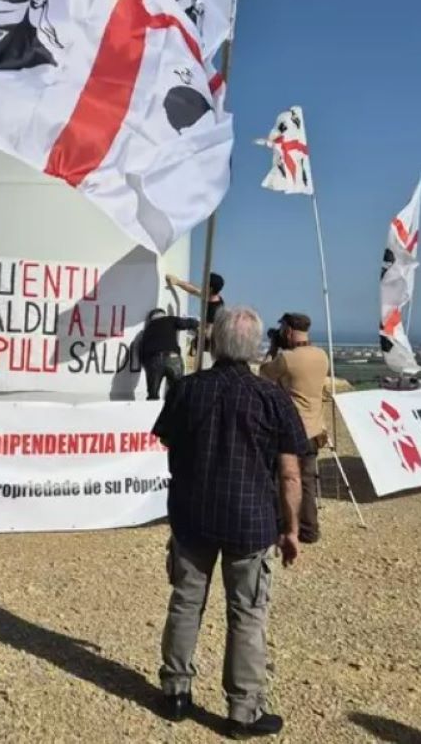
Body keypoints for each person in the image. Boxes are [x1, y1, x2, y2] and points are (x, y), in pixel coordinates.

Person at [151, 306, 305, 739]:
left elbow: (167, 440)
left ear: (215, 342)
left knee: (185, 601)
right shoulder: (271, 397)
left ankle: (176, 692)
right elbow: (290, 473)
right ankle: (243, 710)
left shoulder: (185, 389)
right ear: (256, 346)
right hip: (250, 520)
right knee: (247, 614)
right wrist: (291, 528)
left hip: (192, 514)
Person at [259, 313, 330, 544]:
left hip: (290, 429)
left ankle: (284, 527)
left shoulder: (288, 358)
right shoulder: (322, 355)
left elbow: (264, 374)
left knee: (284, 478)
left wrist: (272, 350)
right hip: (315, 428)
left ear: (288, 331)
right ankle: (310, 530)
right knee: (308, 481)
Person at [165, 272, 225, 368]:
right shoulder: (210, 296)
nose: (202, 284)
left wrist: (194, 325)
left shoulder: (214, 310)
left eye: (205, 283)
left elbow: (208, 334)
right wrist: (177, 282)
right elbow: (193, 290)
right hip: (203, 347)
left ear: (211, 289)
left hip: (207, 352)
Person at [139, 308, 199, 400]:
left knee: (153, 395)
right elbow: (187, 323)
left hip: (153, 360)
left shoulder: (147, 329)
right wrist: (196, 323)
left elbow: (142, 351)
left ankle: (153, 411)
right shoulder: (170, 319)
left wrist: (146, 365)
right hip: (172, 357)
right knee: (178, 392)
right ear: (163, 314)